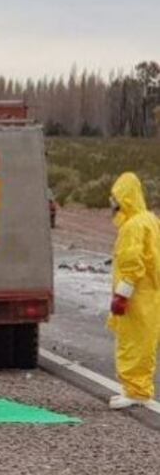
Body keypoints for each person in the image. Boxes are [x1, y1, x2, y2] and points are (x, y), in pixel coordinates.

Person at [106, 172, 160, 409]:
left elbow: (132, 263)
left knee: (133, 342)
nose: (112, 203)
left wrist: (122, 295)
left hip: (138, 295)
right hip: (150, 292)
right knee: (144, 342)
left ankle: (136, 391)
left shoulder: (133, 226)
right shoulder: (149, 219)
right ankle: (138, 388)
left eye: (115, 197)